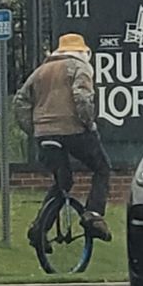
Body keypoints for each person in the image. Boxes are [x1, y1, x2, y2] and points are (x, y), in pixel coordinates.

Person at [14, 32, 113, 243]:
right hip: (73, 131)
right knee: (102, 168)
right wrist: (88, 123)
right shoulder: (79, 66)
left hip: (44, 134)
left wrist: (34, 129)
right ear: (83, 52)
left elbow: (20, 101)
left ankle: (39, 229)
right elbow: (83, 97)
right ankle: (93, 215)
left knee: (63, 181)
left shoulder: (40, 71)